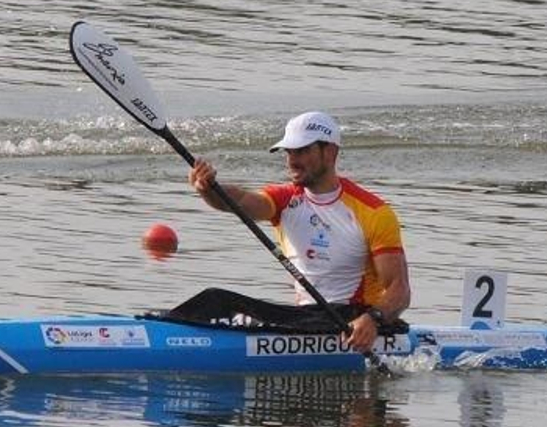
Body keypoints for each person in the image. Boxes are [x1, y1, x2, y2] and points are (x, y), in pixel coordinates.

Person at [175, 111, 411, 353]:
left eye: (301, 151)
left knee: (219, 302)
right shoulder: (285, 201)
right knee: (216, 302)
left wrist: (373, 319)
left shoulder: (374, 213)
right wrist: (208, 188)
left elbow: (399, 291)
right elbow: (239, 200)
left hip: (350, 321)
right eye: (288, 152)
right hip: (306, 318)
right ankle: (157, 327)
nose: (291, 161)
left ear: (330, 152)